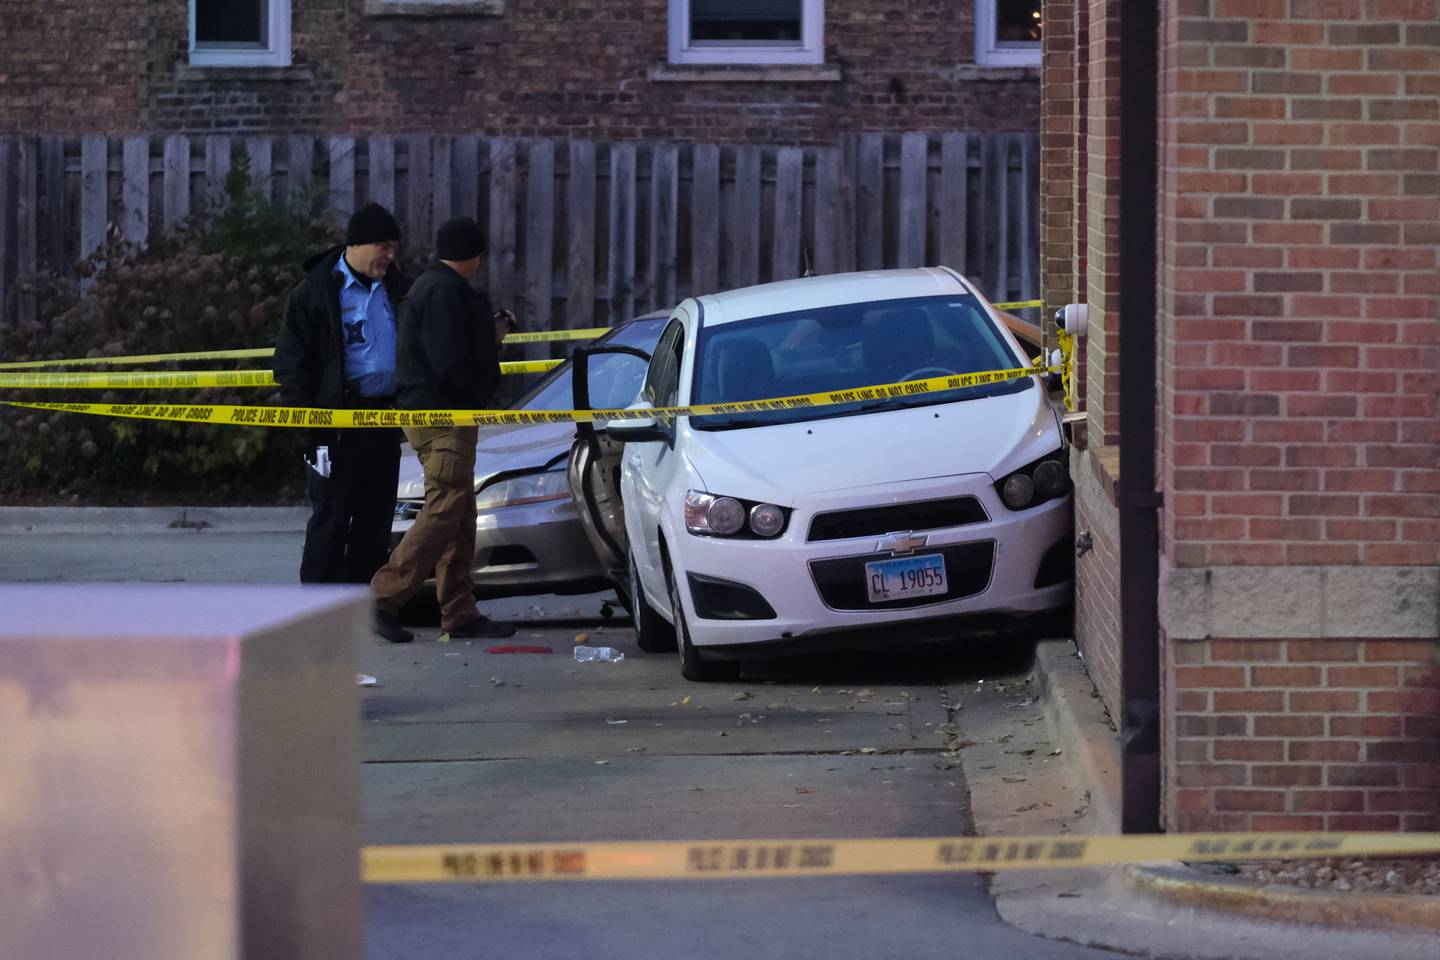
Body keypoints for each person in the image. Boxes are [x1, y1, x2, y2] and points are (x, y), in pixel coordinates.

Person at [370, 216, 517, 643]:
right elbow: (449, 362)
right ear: (473, 257)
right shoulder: (444, 293)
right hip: (444, 417)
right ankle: (382, 598)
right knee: (444, 508)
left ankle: (459, 610)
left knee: (459, 510)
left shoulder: (434, 288)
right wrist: (487, 348)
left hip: (438, 414)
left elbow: (449, 352)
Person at [273, 203, 410, 601]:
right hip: (335, 423)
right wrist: (307, 430)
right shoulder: (315, 293)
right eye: (383, 246)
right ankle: (316, 609)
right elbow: (292, 366)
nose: (390, 256)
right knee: (331, 520)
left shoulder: (399, 289)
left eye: (394, 247)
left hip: (384, 419)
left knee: (376, 519)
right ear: (356, 244)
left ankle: (360, 607)